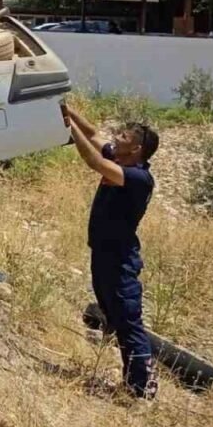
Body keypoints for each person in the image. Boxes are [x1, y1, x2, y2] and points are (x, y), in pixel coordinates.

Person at [62, 100, 159, 399]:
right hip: (103, 255)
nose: (116, 138)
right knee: (115, 316)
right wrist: (65, 108)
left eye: (123, 137)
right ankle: (133, 382)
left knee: (128, 321)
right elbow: (93, 135)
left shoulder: (138, 178)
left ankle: (141, 390)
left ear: (137, 149)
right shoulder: (120, 160)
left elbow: (94, 161)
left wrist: (68, 127)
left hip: (120, 260)